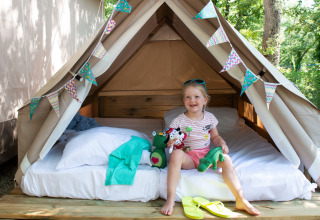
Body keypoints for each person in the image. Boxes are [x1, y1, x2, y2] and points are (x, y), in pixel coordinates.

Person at [160, 79, 261, 216]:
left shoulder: (210, 118)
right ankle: (170, 198)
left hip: (205, 158)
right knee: (176, 154)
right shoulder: (179, 120)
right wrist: (171, 142)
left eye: (196, 96)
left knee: (226, 159)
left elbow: (215, 137)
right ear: (184, 101)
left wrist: (222, 143)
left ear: (205, 100)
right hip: (188, 157)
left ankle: (241, 199)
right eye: (188, 97)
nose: (192, 100)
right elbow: (171, 138)